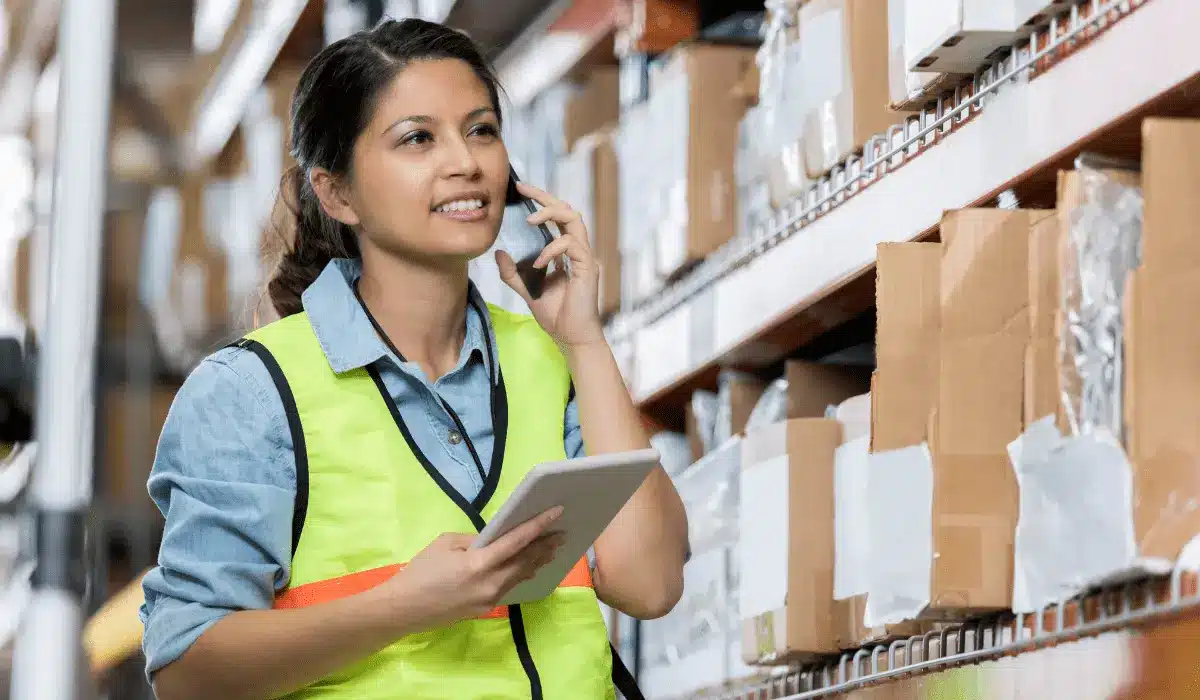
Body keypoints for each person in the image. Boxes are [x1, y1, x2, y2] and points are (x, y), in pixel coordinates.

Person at [139, 18, 688, 700]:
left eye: (482, 129)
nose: (466, 161)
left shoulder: (547, 360)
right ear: (337, 193)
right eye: (418, 139)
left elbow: (652, 582)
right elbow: (188, 673)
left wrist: (585, 342)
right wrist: (406, 605)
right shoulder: (253, 392)